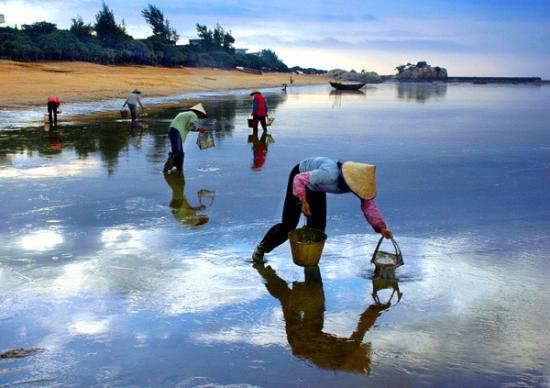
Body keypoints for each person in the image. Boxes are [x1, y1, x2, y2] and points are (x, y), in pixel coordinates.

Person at [253, 263, 396, 374]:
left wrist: (376, 309)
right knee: (298, 297)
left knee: (293, 298)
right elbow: (363, 325)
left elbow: (364, 325)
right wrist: (376, 309)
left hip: (302, 337)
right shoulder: (343, 355)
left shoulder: (343, 354)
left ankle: (269, 274)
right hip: (304, 337)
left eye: (364, 353)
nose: (365, 349)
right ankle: (275, 274)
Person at [252, 157, 392, 263]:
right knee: (289, 225)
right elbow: (299, 179)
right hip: (301, 177)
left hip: (317, 186)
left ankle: (309, 261)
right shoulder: (330, 173)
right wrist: (303, 201)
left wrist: (381, 228)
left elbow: (369, 206)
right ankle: (261, 249)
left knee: (318, 229)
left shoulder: (357, 185)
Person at [163, 103, 207, 172]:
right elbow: (189, 127)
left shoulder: (185, 113)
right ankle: (167, 168)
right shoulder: (193, 115)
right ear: (198, 112)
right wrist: (199, 129)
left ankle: (179, 169)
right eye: (201, 115)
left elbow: (186, 126)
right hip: (176, 131)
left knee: (179, 153)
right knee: (177, 151)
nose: (199, 117)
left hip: (173, 131)